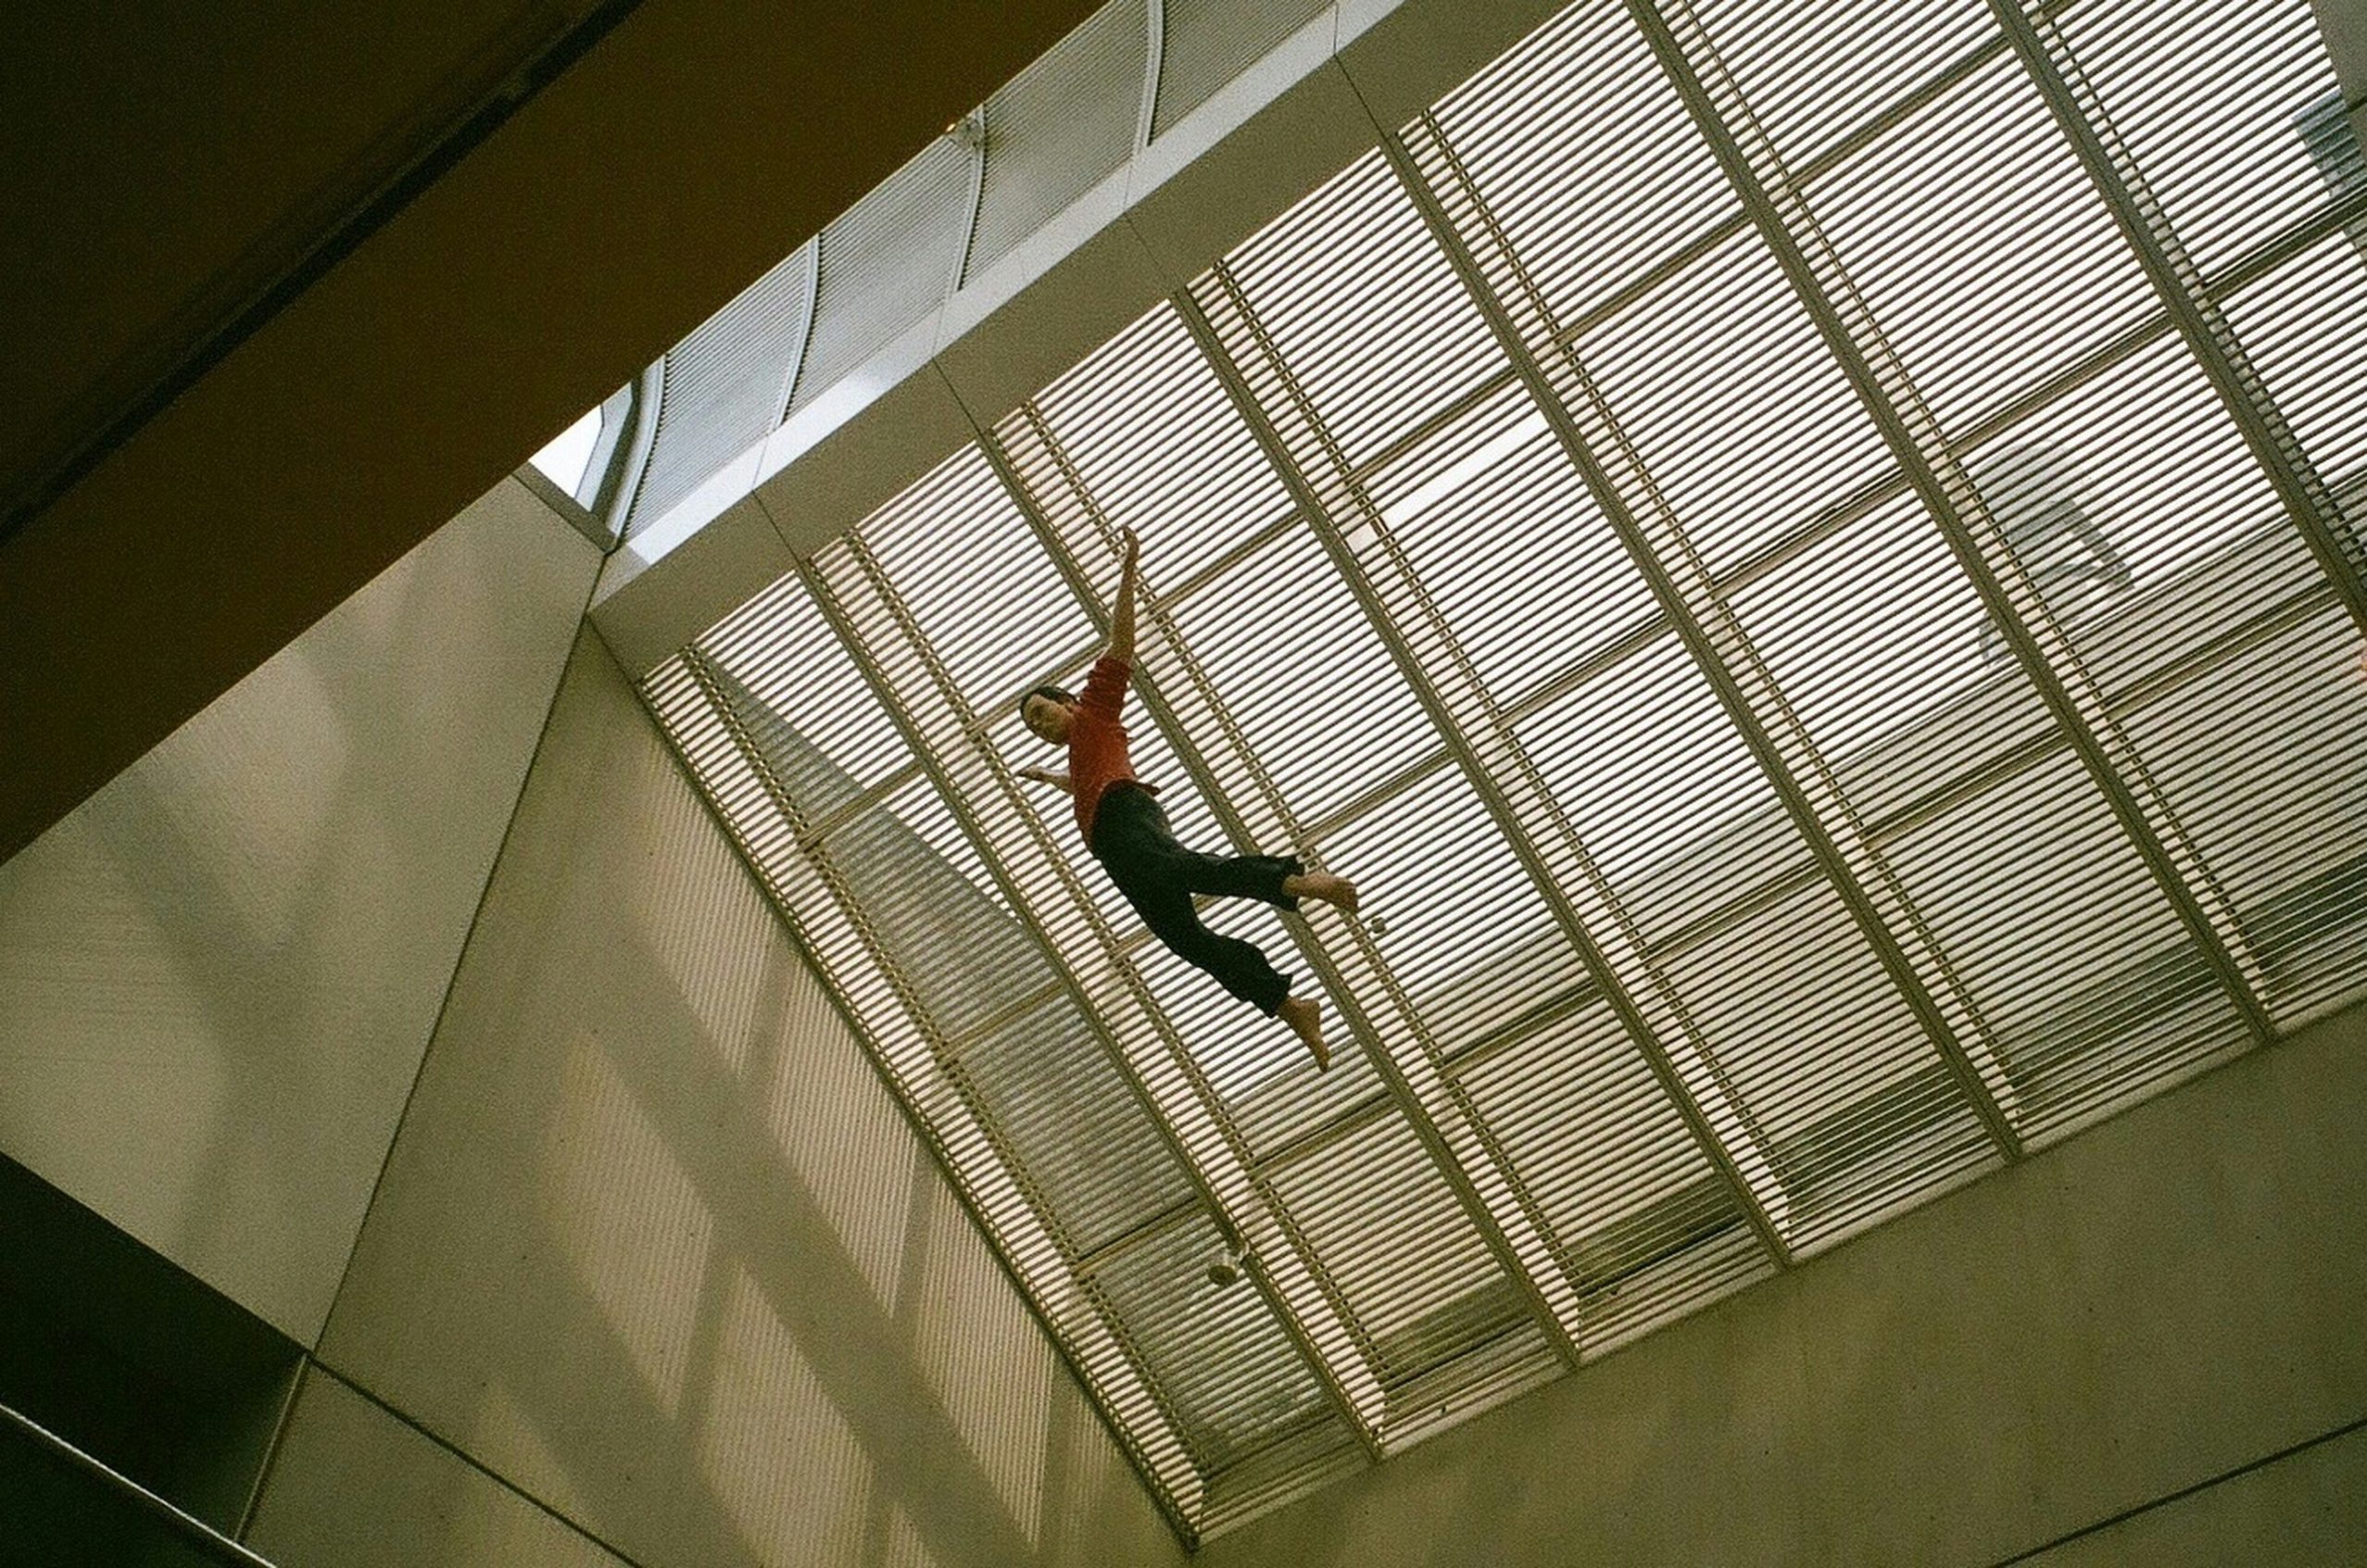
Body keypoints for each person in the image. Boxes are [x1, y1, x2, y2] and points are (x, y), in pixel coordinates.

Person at [1017, 528, 1357, 1069]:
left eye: (1042, 713)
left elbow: (1120, 646)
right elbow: (1092, 779)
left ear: (1066, 700)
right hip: (1115, 842)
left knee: (1191, 870)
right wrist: (1057, 781)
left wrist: (1128, 571)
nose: (1040, 726)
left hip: (1124, 822)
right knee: (1184, 938)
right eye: (1033, 726)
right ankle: (1288, 1004)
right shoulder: (1083, 747)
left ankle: (1298, 880)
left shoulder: (1095, 711)